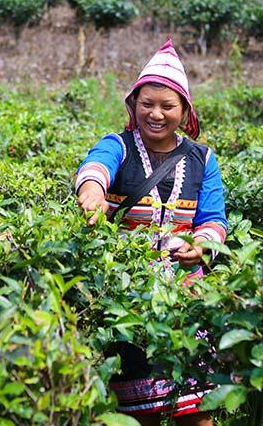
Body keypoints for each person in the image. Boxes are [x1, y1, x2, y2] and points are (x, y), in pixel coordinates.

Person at [75, 39, 227, 426]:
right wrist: (91, 191)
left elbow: (213, 218)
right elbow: (97, 167)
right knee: (137, 411)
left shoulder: (202, 158)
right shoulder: (119, 146)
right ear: (133, 105)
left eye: (166, 106)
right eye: (146, 104)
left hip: (187, 296)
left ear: (184, 110)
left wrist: (201, 246)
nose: (155, 114)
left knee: (197, 410)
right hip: (129, 297)